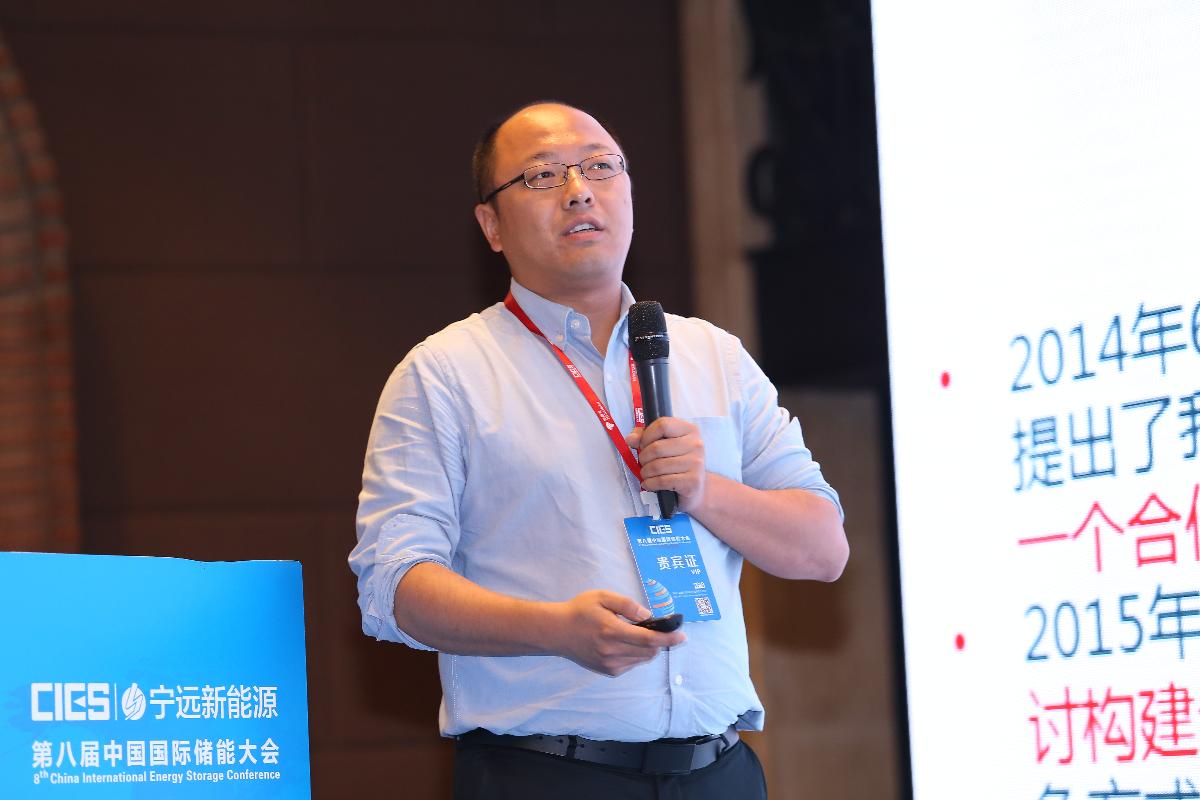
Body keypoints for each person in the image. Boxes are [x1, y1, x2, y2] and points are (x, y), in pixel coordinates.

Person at [349, 101, 848, 799]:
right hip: (546, 773)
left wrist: (705, 490)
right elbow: (395, 584)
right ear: (492, 226)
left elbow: (823, 550)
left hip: (720, 773)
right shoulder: (445, 374)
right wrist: (555, 629)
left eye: (600, 167)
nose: (580, 190)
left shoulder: (713, 356)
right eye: (543, 175)